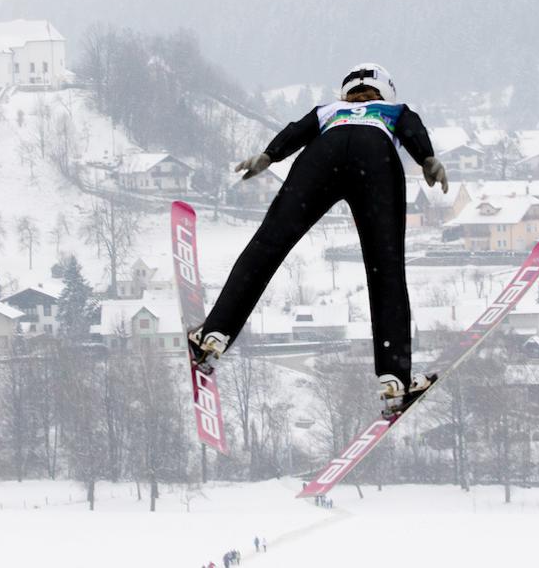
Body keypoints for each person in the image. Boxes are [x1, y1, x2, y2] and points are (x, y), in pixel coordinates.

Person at [189, 64, 448, 413]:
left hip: (322, 155)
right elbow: (414, 132)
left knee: (270, 243)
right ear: (386, 91)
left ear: (345, 92)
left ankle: (213, 336)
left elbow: (297, 131)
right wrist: (428, 159)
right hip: (375, 158)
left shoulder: (330, 110)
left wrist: (269, 155)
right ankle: (394, 381)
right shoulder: (395, 110)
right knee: (385, 269)